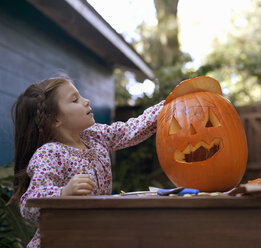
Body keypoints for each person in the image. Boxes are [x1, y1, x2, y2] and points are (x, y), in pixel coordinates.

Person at [7, 77, 164, 247]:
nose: (86, 101)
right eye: (75, 100)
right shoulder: (49, 154)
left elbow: (129, 130)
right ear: (55, 120)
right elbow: (28, 204)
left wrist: (167, 106)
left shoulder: (95, 136)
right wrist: (63, 193)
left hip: (93, 237)